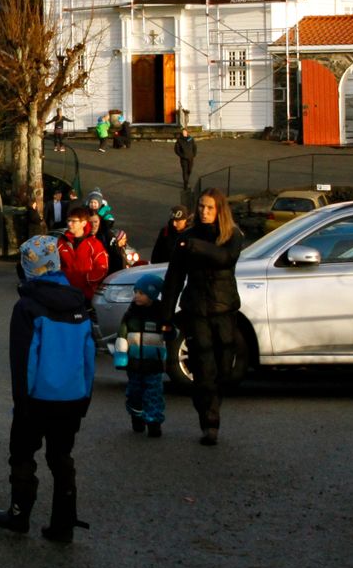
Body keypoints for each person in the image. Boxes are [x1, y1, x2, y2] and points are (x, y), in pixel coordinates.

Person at [0, 236, 95, 542]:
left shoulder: (28, 307)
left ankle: (19, 515)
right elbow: (88, 357)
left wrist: (21, 402)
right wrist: (85, 396)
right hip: (72, 397)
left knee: (22, 455)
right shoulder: (78, 304)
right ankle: (63, 523)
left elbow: (23, 361)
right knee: (61, 457)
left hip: (37, 399)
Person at [162, 188, 247, 447]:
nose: (204, 212)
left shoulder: (232, 235)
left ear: (220, 210)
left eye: (210, 208)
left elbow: (225, 258)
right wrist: (165, 316)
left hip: (224, 310)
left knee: (224, 368)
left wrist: (195, 246)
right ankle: (209, 423)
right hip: (196, 310)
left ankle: (213, 405)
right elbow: (173, 279)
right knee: (203, 370)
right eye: (201, 207)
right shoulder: (187, 237)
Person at [114, 271, 169, 440]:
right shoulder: (131, 314)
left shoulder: (161, 313)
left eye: (141, 293)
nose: (136, 296)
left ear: (152, 294)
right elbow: (122, 336)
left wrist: (170, 330)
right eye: (136, 292)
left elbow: (171, 334)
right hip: (134, 363)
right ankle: (136, 417)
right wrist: (121, 358)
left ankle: (154, 422)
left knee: (153, 393)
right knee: (134, 392)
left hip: (153, 363)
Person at [56, 207, 109, 302]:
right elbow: (54, 264)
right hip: (65, 293)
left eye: (73, 221)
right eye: (68, 220)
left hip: (86, 295)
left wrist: (86, 279)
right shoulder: (61, 242)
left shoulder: (94, 244)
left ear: (83, 223)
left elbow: (102, 268)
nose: (69, 224)